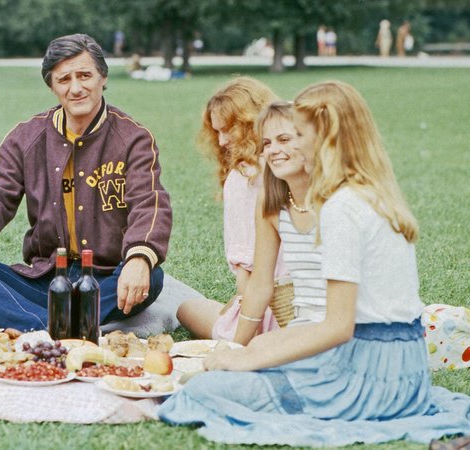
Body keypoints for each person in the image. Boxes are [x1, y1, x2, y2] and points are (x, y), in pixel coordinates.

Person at [158, 81, 470, 446]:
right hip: (399, 371)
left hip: (362, 374)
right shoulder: (366, 194)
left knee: (203, 391)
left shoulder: (341, 207)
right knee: (240, 364)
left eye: (296, 134)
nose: (277, 147)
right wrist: (252, 349)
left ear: (326, 137)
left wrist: (246, 359)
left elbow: (338, 327)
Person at [0, 33, 172, 332]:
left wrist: (139, 258)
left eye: (85, 75)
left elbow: (149, 203)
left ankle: (34, 325)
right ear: (52, 86)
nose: (76, 88)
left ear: (103, 77)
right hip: (45, 280)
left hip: (104, 280)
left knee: (152, 276)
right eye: (64, 79)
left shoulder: (133, 139)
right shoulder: (26, 138)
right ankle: (56, 326)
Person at [176, 77, 286, 344]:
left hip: (270, 314)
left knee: (186, 309)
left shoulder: (243, 178)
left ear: (251, 123)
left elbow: (247, 274)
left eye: (228, 130)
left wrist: (240, 335)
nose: (222, 142)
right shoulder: (298, 164)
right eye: (217, 132)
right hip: (314, 308)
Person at [231, 101, 320, 345]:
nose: (273, 150)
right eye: (267, 143)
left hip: (345, 330)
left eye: (284, 139)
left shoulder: (337, 199)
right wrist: (235, 348)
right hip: (302, 329)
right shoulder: (271, 202)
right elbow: (260, 285)